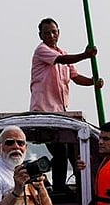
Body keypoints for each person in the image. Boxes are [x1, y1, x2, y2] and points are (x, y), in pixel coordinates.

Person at [30, 17, 104, 189]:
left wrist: (93, 81)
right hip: (44, 112)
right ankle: (59, 188)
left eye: (54, 32)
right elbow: (62, 61)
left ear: (59, 33)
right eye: (46, 33)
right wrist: (86, 55)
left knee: (72, 151)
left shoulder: (62, 52)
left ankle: (83, 185)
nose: (51, 35)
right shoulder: (42, 51)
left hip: (60, 113)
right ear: (40, 35)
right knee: (60, 151)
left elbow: (76, 77)